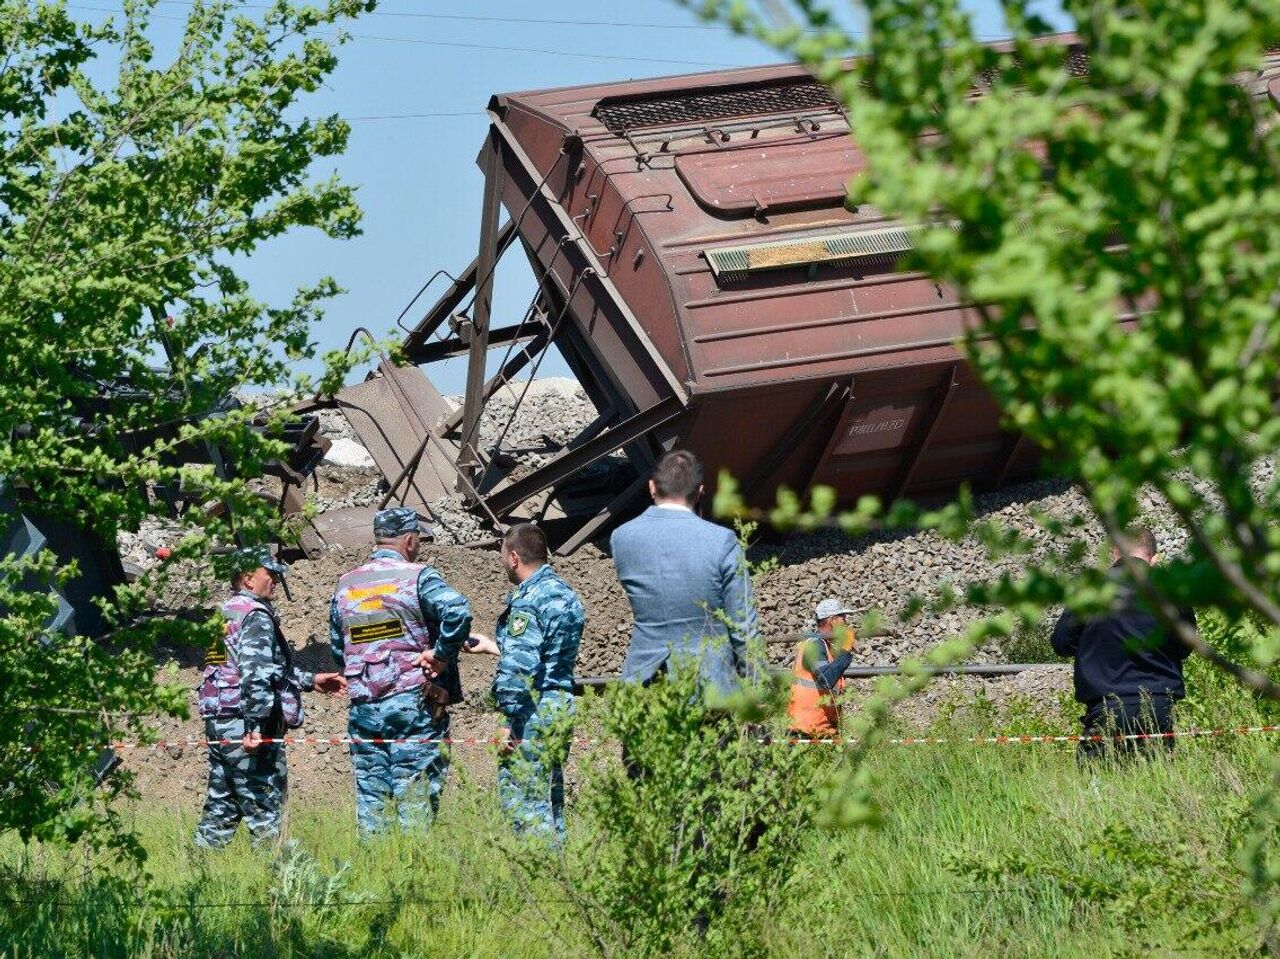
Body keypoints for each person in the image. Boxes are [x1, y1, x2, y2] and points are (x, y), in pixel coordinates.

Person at [329, 508, 472, 834]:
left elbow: (339, 648)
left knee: (372, 802)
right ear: (409, 540)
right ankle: (412, 874)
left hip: (364, 707)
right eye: (418, 539)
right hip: (413, 705)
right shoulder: (418, 577)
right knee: (416, 799)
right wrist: (441, 655)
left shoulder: (347, 584)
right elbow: (458, 611)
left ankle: (374, 874)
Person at [196, 547, 345, 848]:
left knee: (223, 803)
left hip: (219, 720)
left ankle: (198, 872)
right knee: (265, 805)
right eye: (270, 573)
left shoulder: (223, 613)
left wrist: (309, 680)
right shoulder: (255, 616)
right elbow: (255, 674)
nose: (276, 579)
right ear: (248, 579)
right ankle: (276, 883)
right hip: (244, 724)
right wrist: (255, 726)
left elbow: (239, 668)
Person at [610, 450, 759, 699]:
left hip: (644, 683)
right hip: (711, 687)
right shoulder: (722, 541)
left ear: (651, 487)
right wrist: (755, 688)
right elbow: (743, 625)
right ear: (700, 491)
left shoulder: (622, 538)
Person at [1050, 526, 1196, 760]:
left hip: (1106, 709)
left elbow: (1061, 644)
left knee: (1095, 787)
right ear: (1154, 559)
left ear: (1114, 553)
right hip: (1159, 708)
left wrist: (1093, 645)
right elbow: (1185, 647)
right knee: (1156, 788)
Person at [484, 523, 584, 842]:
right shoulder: (564, 593)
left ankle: (537, 885)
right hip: (560, 707)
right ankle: (559, 878)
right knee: (550, 803)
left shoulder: (528, 601)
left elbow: (519, 671)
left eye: (503, 556)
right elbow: (548, 655)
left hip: (533, 714)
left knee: (525, 805)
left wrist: (509, 721)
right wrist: (493, 645)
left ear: (514, 557)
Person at [787, 599, 857, 738]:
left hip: (821, 729)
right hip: (805, 730)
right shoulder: (814, 646)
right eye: (842, 617)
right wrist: (846, 650)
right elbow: (826, 679)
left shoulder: (827, 648)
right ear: (831, 620)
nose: (845, 622)